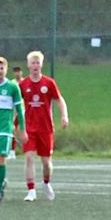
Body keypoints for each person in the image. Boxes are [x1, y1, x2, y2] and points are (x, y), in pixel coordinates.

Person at [19, 51, 69, 202]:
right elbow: (15, 104)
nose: (35, 65)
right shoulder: (23, 84)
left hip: (46, 128)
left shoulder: (48, 83)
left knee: (46, 162)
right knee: (29, 158)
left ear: (41, 64)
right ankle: (31, 190)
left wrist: (64, 115)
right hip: (29, 129)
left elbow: (59, 100)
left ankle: (46, 183)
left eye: (37, 63)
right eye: (32, 63)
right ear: (28, 65)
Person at [0, 57, 27, 205]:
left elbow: (19, 109)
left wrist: (23, 130)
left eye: (2, 68)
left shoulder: (13, 87)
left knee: (0, 159)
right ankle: (2, 180)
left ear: (6, 70)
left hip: (5, 131)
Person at [9, 66, 22, 161]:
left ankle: (31, 149)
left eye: (19, 71)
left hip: (25, 110)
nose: (17, 73)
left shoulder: (25, 82)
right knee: (12, 130)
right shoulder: (11, 83)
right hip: (14, 111)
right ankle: (12, 151)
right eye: (15, 72)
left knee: (25, 130)